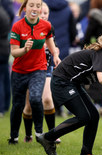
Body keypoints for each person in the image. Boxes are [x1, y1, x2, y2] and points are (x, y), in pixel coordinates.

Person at [36, 31, 102, 155]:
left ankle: (86, 153)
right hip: (62, 82)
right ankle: (47, 137)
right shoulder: (101, 55)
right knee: (84, 116)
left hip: (74, 83)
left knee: (94, 116)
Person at [8, 0, 61, 144]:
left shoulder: (46, 25)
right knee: (18, 104)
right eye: (32, 5)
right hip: (19, 71)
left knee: (36, 98)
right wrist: (24, 49)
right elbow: (14, 52)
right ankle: (14, 137)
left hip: (39, 69)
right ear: (25, 8)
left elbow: (50, 40)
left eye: (38, 6)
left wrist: (55, 55)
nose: (35, 8)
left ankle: (39, 133)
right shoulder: (17, 26)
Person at [0, 1, 14, 117]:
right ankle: (4, 106)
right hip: (5, 48)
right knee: (4, 79)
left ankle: (1, 107)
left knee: (1, 80)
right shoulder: (5, 11)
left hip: (2, 49)